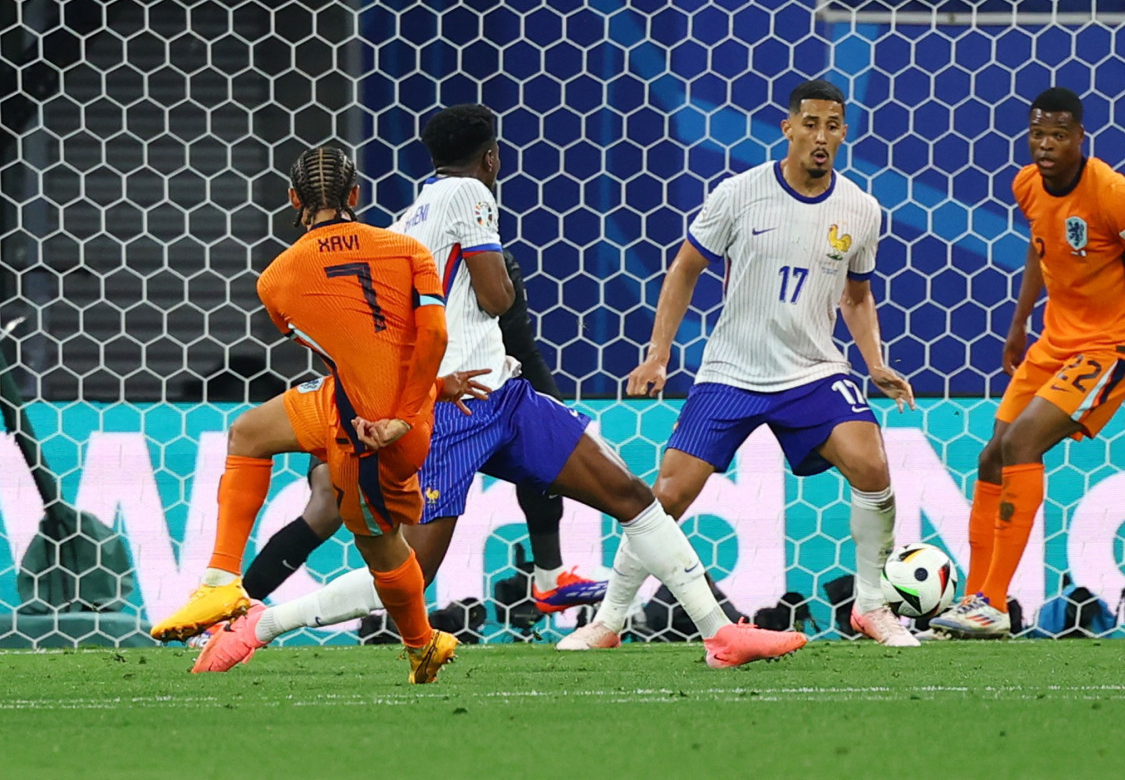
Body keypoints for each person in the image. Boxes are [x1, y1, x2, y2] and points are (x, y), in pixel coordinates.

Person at [192, 104, 805, 673]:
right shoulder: (469, 195)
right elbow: (495, 295)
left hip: (500, 394)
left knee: (630, 495)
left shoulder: (410, 216)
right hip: (458, 405)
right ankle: (259, 626)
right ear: (491, 158)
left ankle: (720, 632)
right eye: (498, 155)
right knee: (412, 570)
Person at [559, 79, 921, 651]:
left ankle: (872, 606)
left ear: (844, 132)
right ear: (788, 128)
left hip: (812, 371)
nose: (820, 136)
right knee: (668, 498)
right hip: (732, 370)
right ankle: (609, 620)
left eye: (832, 125)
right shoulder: (739, 194)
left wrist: (873, 361)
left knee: (871, 464)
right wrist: (658, 353)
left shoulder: (862, 208)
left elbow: (856, 295)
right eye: (810, 124)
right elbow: (684, 269)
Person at [150, 145, 486, 684]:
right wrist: (428, 396)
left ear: (292, 200)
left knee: (380, 546)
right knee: (250, 432)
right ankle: (219, 583)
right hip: (382, 410)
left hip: (372, 431)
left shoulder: (277, 278)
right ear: (356, 196)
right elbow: (429, 337)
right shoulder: (407, 251)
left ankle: (422, 644)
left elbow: (337, 340)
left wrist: (397, 418)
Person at [929, 87, 1125, 639]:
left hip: (1114, 343)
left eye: (1059, 135)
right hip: (1056, 341)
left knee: (1021, 445)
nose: (1046, 145)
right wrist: (1019, 323)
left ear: (1080, 138)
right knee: (991, 459)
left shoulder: (1113, 196)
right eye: (1038, 134)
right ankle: (975, 602)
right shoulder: (1026, 185)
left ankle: (991, 600)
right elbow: (1042, 249)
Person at [237, 249, 607, 615]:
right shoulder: (408, 266)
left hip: (424, 406)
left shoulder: (468, 274)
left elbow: (521, 349)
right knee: (332, 511)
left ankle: (548, 571)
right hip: (388, 402)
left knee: (361, 531)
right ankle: (238, 612)